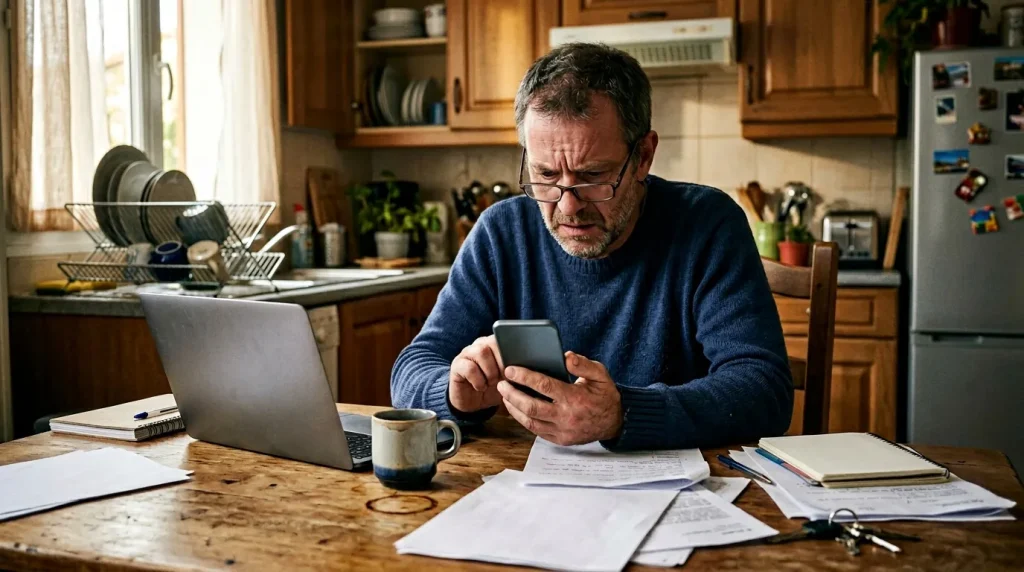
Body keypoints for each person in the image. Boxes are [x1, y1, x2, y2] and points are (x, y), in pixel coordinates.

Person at [391, 43, 793, 450]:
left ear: (643, 156)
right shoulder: (501, 232)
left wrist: (623, 415)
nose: (568, 206)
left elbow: (765, 391)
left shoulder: (708, 225)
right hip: (525, 480)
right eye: (546, 175)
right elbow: (410, 370)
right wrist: (453, 393)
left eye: (593, 176)